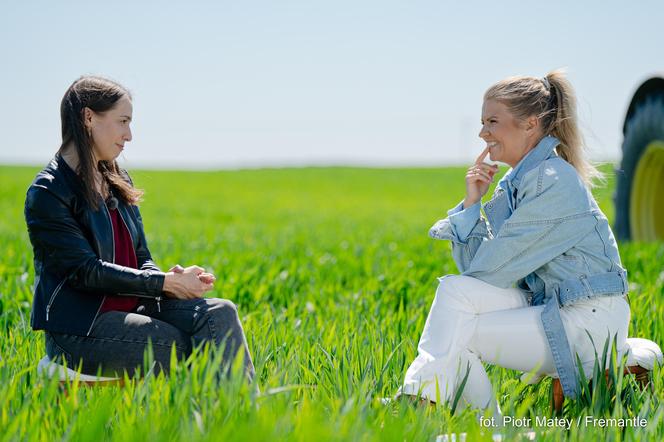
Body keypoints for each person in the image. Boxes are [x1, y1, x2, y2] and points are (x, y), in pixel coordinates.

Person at [398, 70, 633, 418]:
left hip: (590, 320)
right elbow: (472, 276)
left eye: (493, 121)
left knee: (456, 331)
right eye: (482, 121)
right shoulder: (518, 182)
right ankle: (463, 417)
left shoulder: (552, 182)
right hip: (555, 305)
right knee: (454, 294)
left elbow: (490, 272)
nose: (482, 132)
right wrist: (471, 205)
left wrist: (473, 217)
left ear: (531, 124)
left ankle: (455, 416)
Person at [24, 75, 255, 380]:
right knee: (179, 345)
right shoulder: (49, 191)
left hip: (134, 307)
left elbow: (141, 255)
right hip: (79, 330)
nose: (129, 135)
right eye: (122, 121)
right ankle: (215, 420)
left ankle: (241, 420)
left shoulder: (118, 180)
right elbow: (85, 271)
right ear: (89, 117)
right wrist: (161, 284)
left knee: (220, 313)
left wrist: (168, 279)